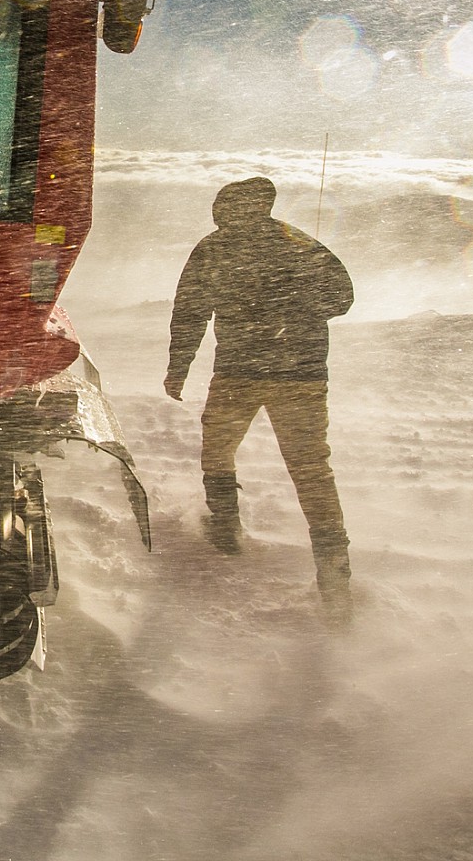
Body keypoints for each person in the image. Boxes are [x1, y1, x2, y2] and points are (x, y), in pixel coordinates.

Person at [162, 176, 355, 615]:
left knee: (217, 451)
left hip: (240, 373)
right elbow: (341, 298)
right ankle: (333, 561)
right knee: (311, 469)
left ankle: (225, 529)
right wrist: (295, 301)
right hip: (302, 374)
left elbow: (189, 310)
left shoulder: (214, 248)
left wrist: (179, 366)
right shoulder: (300, 242)